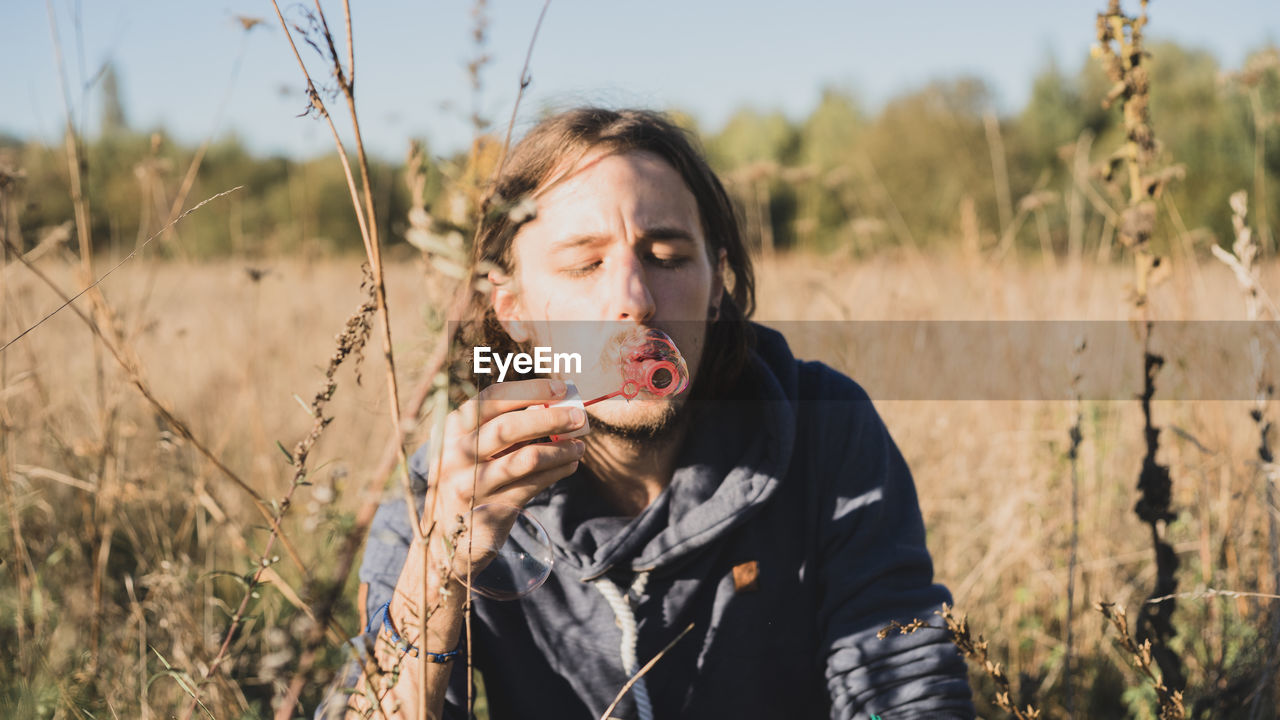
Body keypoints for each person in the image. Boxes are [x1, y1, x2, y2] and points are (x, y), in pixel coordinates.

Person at [326, 107, 974, 719]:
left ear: (717, 285)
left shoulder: (825, 429)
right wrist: (439, 571)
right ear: (512, 307)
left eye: (666, 257)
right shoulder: (456, 489)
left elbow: (906, 684)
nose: (633, 300)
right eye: (585, 264)